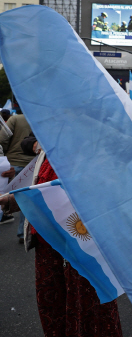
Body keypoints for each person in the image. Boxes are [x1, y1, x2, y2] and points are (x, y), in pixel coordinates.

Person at [1, 138, 123, 337]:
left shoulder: (91, 143)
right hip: (47, 242)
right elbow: (41, 184)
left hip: (80, 244)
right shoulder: (49, 141)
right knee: (55, 310)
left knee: (87, 315)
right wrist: (14, 200)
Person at [0, 103, 35, 243]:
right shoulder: (37, 119)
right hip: (31, 165)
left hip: (12, 161)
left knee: (8, 197)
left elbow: (2, 139)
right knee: (26, 198)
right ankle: (24, 232)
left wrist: (7, 154)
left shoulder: (14, 119)